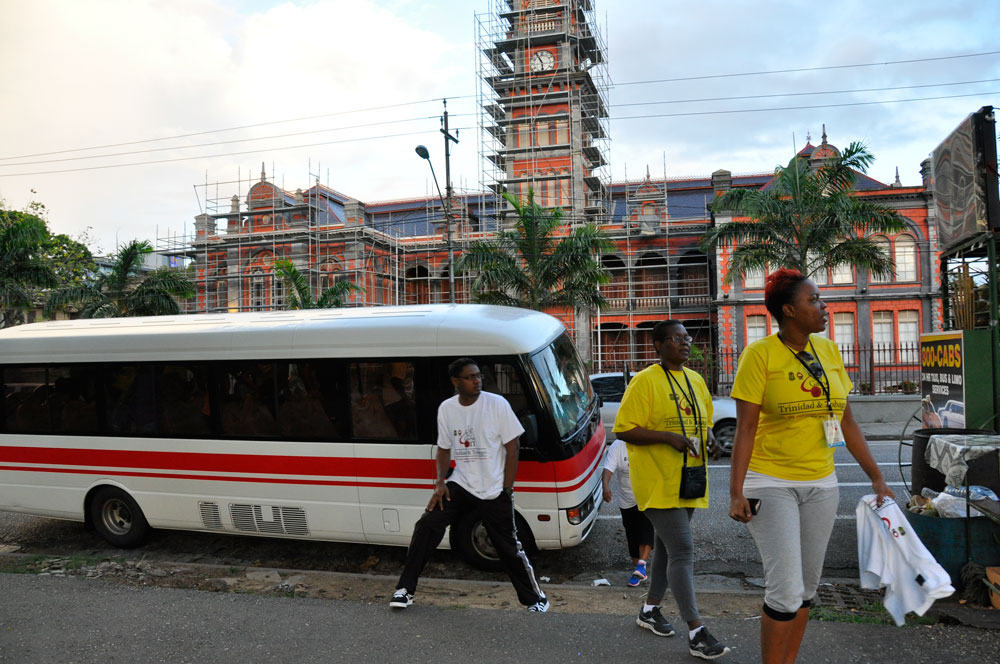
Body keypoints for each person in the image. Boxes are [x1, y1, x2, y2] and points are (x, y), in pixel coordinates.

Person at [728, 268, 893, 664]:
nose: (823, 306)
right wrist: (735, 492)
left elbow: (846, 421)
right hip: (771, 481)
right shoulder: (759, 355)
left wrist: (877, 477)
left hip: (822, 483)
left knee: (805, 589)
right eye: (813, 300)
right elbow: (745, 428)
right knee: (785, 592)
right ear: (788, 310)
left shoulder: (829, 351)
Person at [390, 357, 548, 612]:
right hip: (461, 483)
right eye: (470, 377)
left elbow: (513, 447)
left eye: (478, 376)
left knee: (507, 547)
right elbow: (443, 449)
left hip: (493, 486)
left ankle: (535, 599)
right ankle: (405, 590)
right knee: (427, 525)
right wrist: (440, 483)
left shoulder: (496, 404)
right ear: (456, 381)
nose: (477, 381)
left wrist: (507, 489)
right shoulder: (447, 409)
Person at [613, 320, 730, 660]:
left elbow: (703, 422)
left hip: (689, 479)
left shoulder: (695, 380)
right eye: (677, 338)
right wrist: (667, 437)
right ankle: (696, 632)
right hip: (656, 481)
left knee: (666, 548)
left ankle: (650, 610)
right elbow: (623, 429)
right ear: (658, 345)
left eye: (687, 337)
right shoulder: (644, 381)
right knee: (682, 549)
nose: (685, 342)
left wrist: (711, 440)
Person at [601, 437, 654, 586]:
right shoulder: (618, 446)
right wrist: (605, 486)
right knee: (632, 534)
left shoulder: (647, 441)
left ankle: (641, 565)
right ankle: (638, 570)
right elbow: (608, 468)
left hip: (647, 496)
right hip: (626, 499)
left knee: (646, 529)